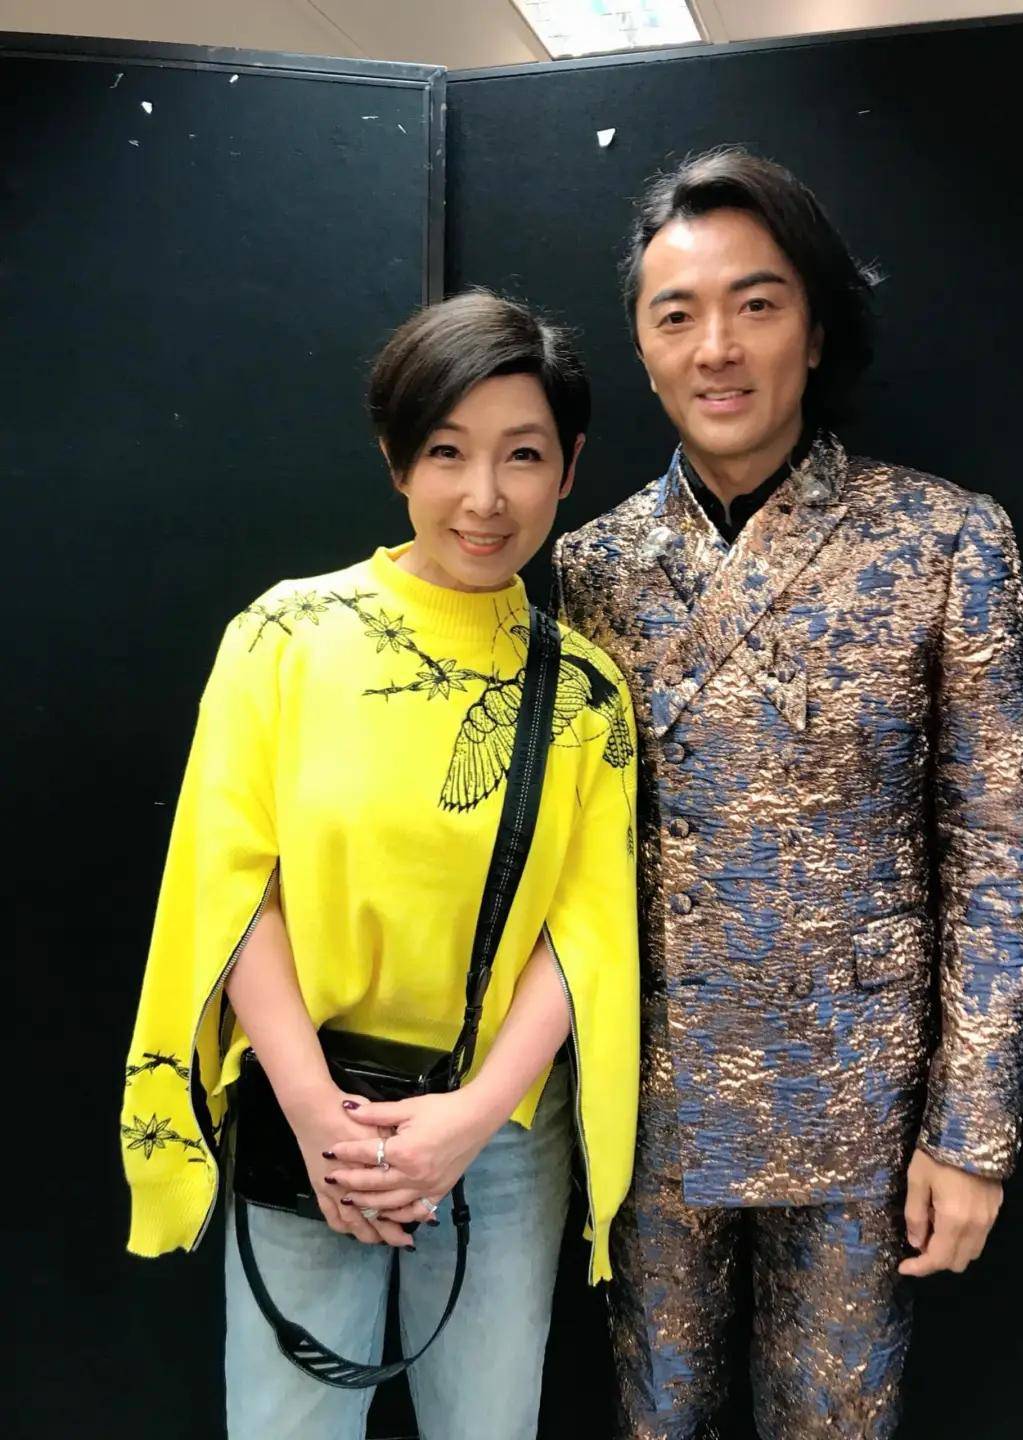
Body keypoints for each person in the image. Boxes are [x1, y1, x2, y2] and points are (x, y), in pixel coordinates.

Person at [552, 147, 1023, 1439]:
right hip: (646, 1101)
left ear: (815, 331)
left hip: (862, 1110)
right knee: (655, 1421)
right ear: (644, 348)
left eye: (756, 304)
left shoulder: (942, 538)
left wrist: (972, 1134)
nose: (717, 347)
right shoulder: (588, 569)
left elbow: (998, 857)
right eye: (678, 315)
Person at [120, 290, 640, 1440]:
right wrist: (317, 1113)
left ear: (569, 468)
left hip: (500, 1136)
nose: (484, 496)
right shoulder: (283, 640)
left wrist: (471, 1119)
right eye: (447, 452)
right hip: (314, 1110)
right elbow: (233, 889)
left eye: (523, 455)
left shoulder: (586, 691)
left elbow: (586, 934)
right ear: (396, 458)